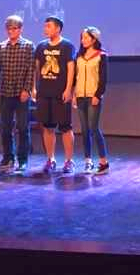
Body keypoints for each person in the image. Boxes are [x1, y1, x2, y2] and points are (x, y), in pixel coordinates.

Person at [0, 15, 34, 173]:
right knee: (6, 127)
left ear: (20, 29)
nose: (11, 31)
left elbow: (31, 70)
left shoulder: (28, 46)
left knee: (23, 127)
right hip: (6, 92)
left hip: (21, 93)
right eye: (9, 29)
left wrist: (27, 89)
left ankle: (22, 160)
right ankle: (8, 158)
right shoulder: (1, 47)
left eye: (14, 28)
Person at [35, 16, 76, 174]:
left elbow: (71, 69)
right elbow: (36, 69)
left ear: (58, 28)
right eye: (45, 26)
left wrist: (68, 89)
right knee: (48, 127)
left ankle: (69, 161)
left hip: (61, 93)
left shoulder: (67, 46)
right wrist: (34, 88)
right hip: (44, 93)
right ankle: (50, 159)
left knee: (65, 127)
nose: (46, 29)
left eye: (49, 26)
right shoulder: (41, 46)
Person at [73, 26, 110, 175]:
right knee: (84, 130)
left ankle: (104, 162)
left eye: (86, 37)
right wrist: (74, 94)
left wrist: (98, 95)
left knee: (94, 128)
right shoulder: (79, 56)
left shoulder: (101, 56)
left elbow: (103, 79)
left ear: (94, 39)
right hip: (80, 96)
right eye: (82, 37)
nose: (83, 40)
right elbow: (75, 77)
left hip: (93, 96)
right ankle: (88, 161)